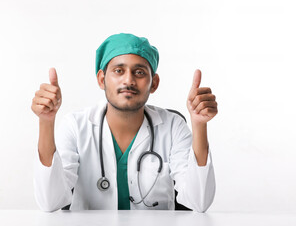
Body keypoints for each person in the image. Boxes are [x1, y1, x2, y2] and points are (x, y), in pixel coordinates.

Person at [31, 33, 218, 212]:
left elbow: (199, 202)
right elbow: (50, 202)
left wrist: (199, 125)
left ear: (154, 83)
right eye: (118, 71)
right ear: (102, 79)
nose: (128, 80)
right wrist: (46, 122)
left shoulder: (173, 126)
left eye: (139, 72)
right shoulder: (75, 126)